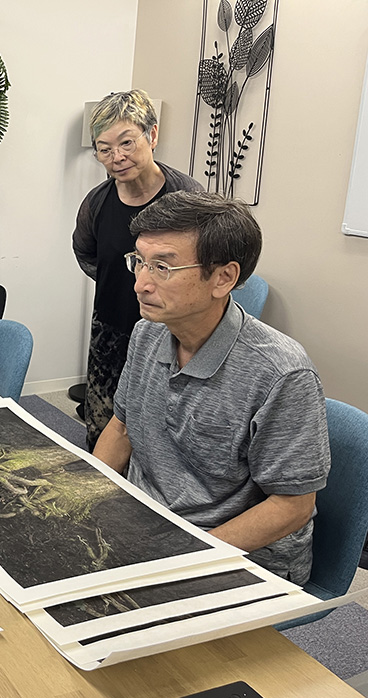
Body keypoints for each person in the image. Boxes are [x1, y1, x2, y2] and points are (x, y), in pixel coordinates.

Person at [93, 191, 330, 584]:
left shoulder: (281, 373)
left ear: (223, 278)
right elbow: (121, 429)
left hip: (234, 552)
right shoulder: (148, 333)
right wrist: (88, 498)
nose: (140, 284)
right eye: (139, 262)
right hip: (150, 522)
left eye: (163, 267)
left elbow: (293, 507)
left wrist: (185, 559)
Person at [73, 89, 202, 450]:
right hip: (110, 330)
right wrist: (124, 282)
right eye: (104, 149)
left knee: (159, 437)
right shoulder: (97, 202)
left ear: (152, 135)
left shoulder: (187, 198)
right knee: (102, 430)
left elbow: (202, 267)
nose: (117, 157)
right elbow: (85, 252)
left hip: (171, 335)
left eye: (126, 143)